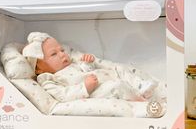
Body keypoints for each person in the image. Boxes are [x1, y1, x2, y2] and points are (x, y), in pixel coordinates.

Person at [23, 32, 158, 103]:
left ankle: (141, 86)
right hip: (95, 91)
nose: (62, 54)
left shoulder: (72, 64)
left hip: (106, 77)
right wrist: (85, 88)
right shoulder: (48, 79)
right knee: (117, 86)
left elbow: (88, 72)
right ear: (39, 68)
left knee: (120, 69)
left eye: (62, 50)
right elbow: (62, 95)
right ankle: (140, 101)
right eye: (54, 54)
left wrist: (87, 63)